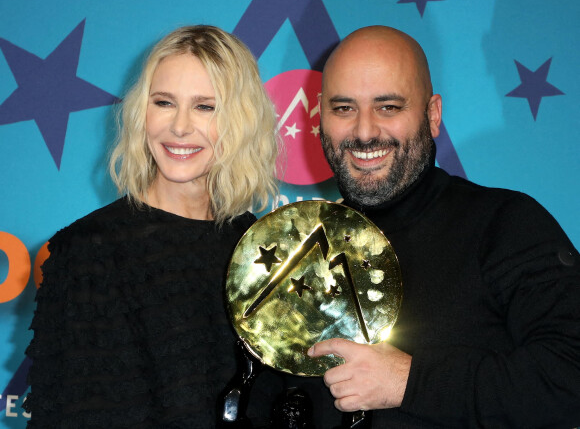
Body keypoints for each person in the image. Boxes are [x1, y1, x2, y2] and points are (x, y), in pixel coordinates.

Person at [308, 25, 580, 428]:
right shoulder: (304, 245)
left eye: (388, 107)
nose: (364, 132)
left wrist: (410, 383)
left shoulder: (505, 223)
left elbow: (571, 377)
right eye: (344, 108)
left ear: (432, 114)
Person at [24, 25, 280, 428]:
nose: (179, 127)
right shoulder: (89, 251)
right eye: (164, 102)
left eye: (205, 107)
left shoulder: (263, 248)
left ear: (241, 119)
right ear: (142, 111)